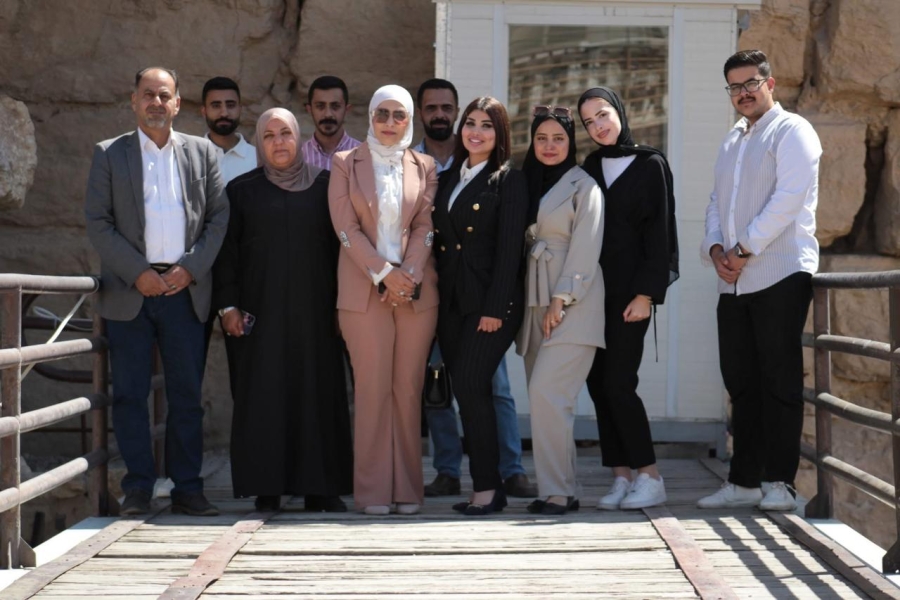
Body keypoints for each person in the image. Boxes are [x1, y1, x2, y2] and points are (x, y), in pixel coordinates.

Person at [84, 67, 228, 516]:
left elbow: (218, 218)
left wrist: (190, 269)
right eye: (148, 94)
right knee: (130, 396)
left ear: (178, 103)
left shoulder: (202, 152)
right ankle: (138, 489)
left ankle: (188, 487)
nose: (156, 103)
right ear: (134, 101)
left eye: (164, 95)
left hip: (184, 292)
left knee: (186, 396)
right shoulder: (110, 154)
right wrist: (138, 272)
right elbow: (98, 222)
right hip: (131, 293)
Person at [697, 50, 821, 512]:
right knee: (741, 382)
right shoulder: (732, 139)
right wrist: (716, 250)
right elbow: (717, 203)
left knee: (779, 381)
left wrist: (743, 249)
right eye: (735, 86)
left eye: (751, 83)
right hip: (732, 281)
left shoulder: (793, 131)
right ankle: (744, 480)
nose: (744, 92)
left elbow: (789, 199)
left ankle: (779, 483)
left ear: (770, 83)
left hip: (780, 273)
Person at [213, 108, 353, 513]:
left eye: (286, 134)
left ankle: (322, 487)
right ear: (260, 142)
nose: (278, 142)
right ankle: (267, 486)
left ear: (298, 139)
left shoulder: (325, 186)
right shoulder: (241, 191)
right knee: (264, 397)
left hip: (317, 316)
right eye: (270, 135)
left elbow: (342, 251)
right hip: (261, 317)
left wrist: (343, 307)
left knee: (319, 394)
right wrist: (228, 307)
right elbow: (227, 256)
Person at [414, 78, 537, 499]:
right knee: (467, 393)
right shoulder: (449, 179)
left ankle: (488, 489)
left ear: (500, 134)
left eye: (487, 125)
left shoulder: (509, 180)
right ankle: (486, 489)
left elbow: (509, 253)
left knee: (472, 385)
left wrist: (496, 308)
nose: (476, 132)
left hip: (489, 305)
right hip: (451, 305)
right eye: (471, 123)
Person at [329, 84, 438, 515]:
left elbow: (426, 226)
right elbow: (345, 227)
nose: (390, 123)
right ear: (370, 116)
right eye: (382, 114)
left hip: (414, 291)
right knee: (372, 391)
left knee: (408, 391)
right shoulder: (344, 163)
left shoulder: (425, 165)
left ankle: (407, 490)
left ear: (410, 120)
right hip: (364, 292)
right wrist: (384, 273)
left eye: (399, 115)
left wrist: (408, 274)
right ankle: (374, 492)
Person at [577, 86, 679, 511]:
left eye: (603, 114)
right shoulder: (590, 165)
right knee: (597, 385)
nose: (598, 126)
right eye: (589, 121)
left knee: (619, 384)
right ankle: (620, 476)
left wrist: (646, 295)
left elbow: (661, 233)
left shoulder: (651, 163)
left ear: (619, 111)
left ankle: (650, 476)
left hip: (630, 296)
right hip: (592, 294)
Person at [517, 106, 604, 515]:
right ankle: (562, 489)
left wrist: (561, 298)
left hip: (574, 302)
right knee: (548, 402)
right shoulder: (525, 182)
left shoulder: (585, 186)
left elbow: (588, 245)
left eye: (558, 139)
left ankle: (555, 491)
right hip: (533, 301)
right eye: (541, 138)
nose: (549, 146)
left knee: (547, 392)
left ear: (572, 142)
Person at [200, 77, 257, 184]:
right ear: (204, 111)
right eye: (216, 106)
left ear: (240, 110)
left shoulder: (257, 159)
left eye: (230, 105)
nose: (224, 113)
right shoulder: (190, 158)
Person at [303, 75, 361, 170]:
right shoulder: (298, 157)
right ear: (309, 109)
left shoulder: (363, 156)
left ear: (347, 109)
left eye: (335, 106)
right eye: (320, 106)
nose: (328, 114)